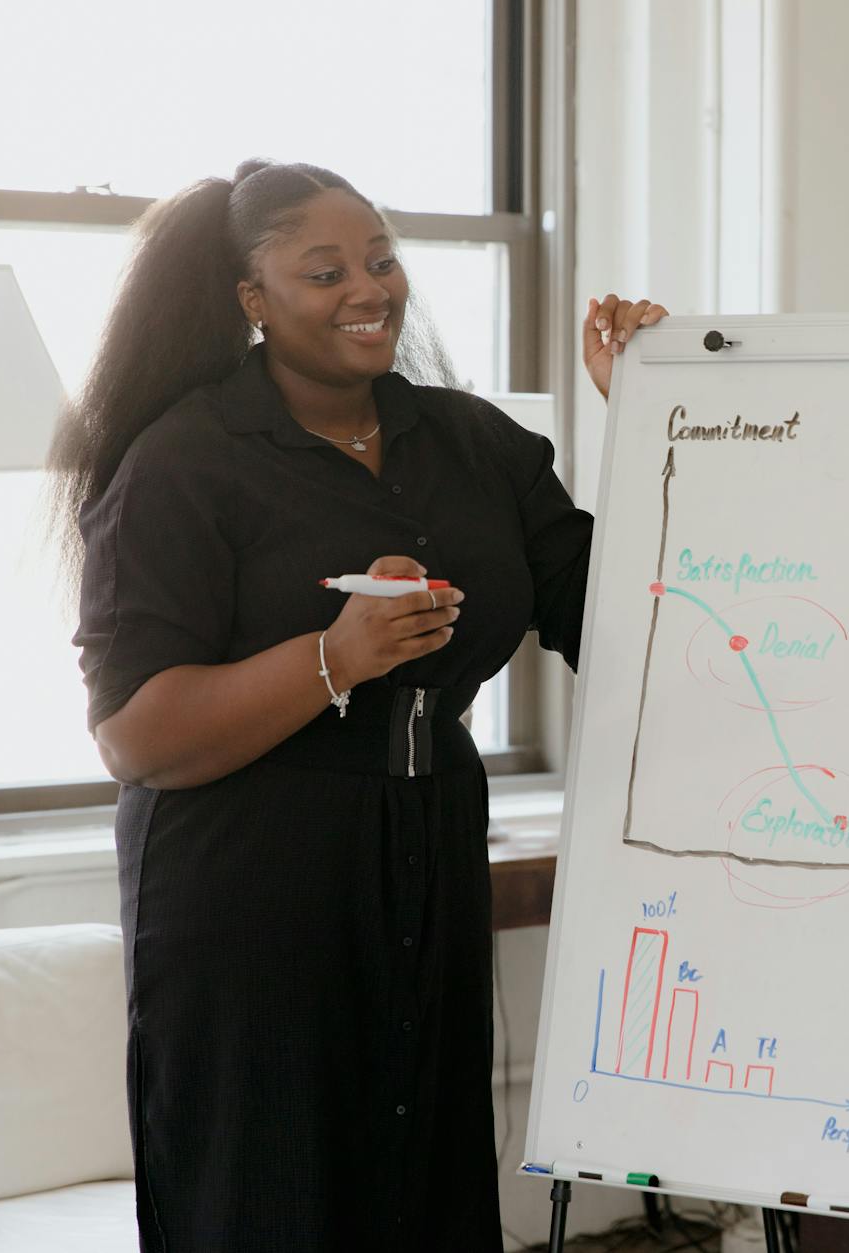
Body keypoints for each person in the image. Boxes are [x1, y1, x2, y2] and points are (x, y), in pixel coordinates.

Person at [53, 158, 665, 1251]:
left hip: (427, 843)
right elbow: (135, 731)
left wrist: (655, 416)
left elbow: (624, 619)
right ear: (251, 299)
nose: (368, 287)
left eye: (380, 258)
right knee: (276, 1189)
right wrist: (334, 657)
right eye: (324, 270)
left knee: (420, 1185)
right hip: (249, 879)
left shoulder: (476, 444)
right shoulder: (182, 462)